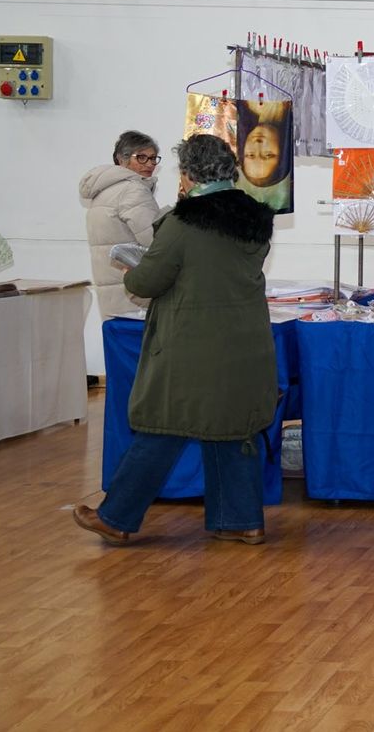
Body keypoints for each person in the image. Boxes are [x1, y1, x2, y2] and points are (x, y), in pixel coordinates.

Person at [72, 134, 278, 547]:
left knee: (162, 426)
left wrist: (131, 272)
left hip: (193, 345)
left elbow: (149, 281)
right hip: (246, 342)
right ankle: (241, 521)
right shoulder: (256, 218)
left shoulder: (184, 222)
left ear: (187, 174)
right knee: (233, 428)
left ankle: (116, 517)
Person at [78, 130, 163, 319]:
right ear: (121, 159)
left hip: (111, 296)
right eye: (141, 158)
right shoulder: (133, 190)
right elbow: (156, 242)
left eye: (153, 158)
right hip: (135, 297)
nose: (149, 164)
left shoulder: (103, 191)